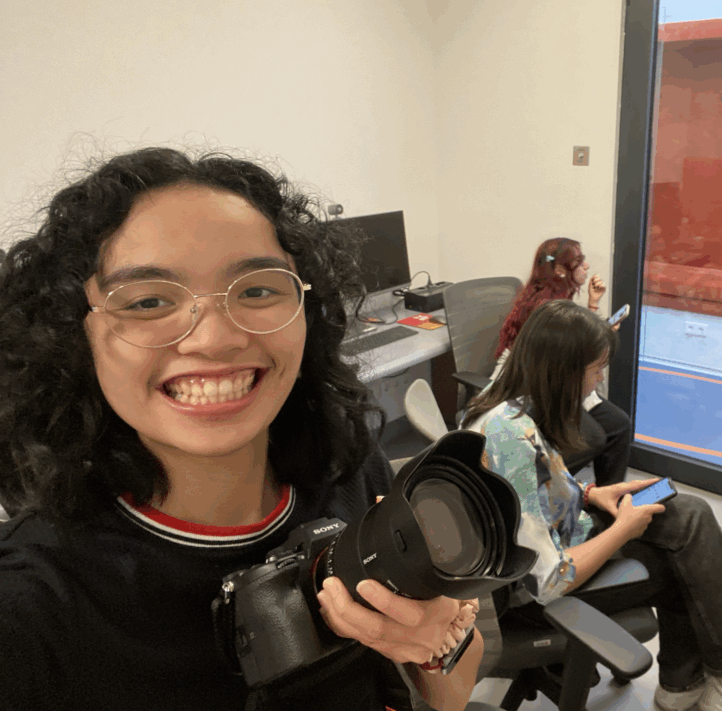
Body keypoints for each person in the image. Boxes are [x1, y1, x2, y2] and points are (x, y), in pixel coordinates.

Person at [0, 147, 483, 711]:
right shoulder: (32, 607)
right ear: (72, 335)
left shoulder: (348, 468)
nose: (214, 339)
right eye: (148, 301)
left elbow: (451, 696)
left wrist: (434, 642)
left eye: (256, 290)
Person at [464, 300, 722, 711]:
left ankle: (691, 684)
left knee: (689, 514)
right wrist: (622, 530)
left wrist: (591, 494)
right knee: (687, 558)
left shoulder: (509, 411)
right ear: (564, 372)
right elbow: (548, 580)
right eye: (596, 370)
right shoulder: (508, 439)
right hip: (535, 598)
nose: (598, 381)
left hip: (565, 534)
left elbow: (529, 495)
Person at [494, 237, 631, 487]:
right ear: (559, 270)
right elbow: (568, 358)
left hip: (553, 382)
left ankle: (605, 494)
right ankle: (553, 486)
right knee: (596, 437)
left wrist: (593, 304)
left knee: (618, 424)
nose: (586, 266)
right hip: (532, 390)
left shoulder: (557, 298)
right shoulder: (547, 310)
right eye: (579, 262)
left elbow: (576, 345)